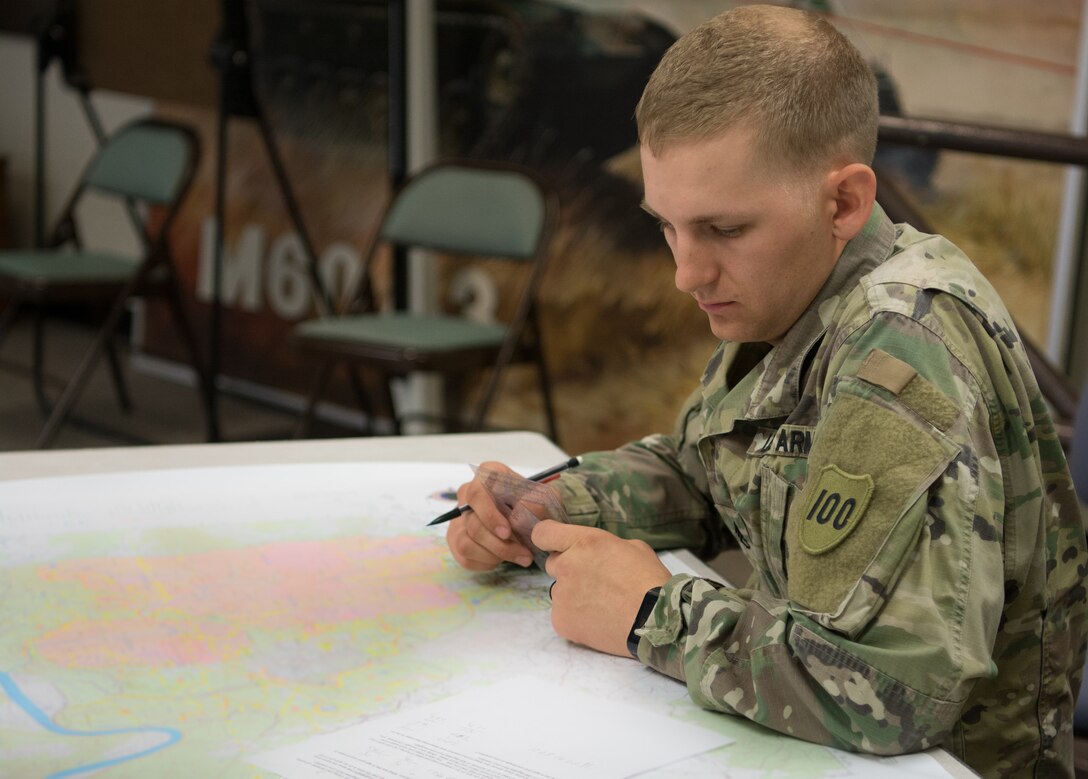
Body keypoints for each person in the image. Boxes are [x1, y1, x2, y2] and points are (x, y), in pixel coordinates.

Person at [446, 5, 1088, 777]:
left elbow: (898, 691)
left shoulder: (905, 345)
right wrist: (545, 504)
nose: (687, 274)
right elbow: (704, 472)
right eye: (668, 227)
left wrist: (652, 614)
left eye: (723, 230)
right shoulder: (791, 291)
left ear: (843, 202)